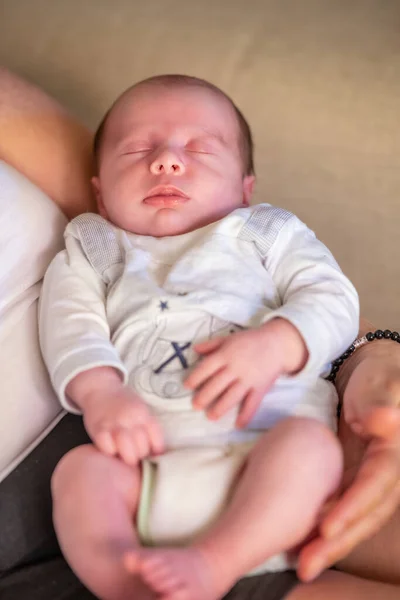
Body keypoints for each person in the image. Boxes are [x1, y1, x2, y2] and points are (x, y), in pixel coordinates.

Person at [1, 67, 400, 600]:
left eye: (200, 150)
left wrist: (278, 343)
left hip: (271, 457)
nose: (166, 160)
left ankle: (214, 563)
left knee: (310, 449)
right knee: (79, 473)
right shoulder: (94, 248)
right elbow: (70, 326)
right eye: (136, 149)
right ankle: (128, 585)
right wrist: (100, 393)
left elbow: (331, 298)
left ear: (245, 188)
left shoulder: (265, 234)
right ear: (99, 193)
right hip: (150, 470)